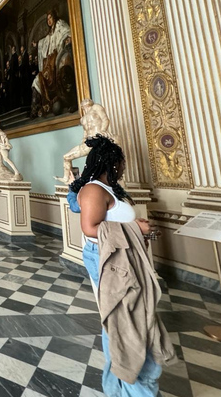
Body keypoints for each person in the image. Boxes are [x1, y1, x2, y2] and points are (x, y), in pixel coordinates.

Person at [71, 135, 173, 397]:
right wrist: (134, 227)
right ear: (111, 162)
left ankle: (120, 386)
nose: (125, 165)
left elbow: (114, 224)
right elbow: (90, 228)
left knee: (129, 319)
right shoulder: (94, 190)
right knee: (124, 321)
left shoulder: (108, 190)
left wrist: (142, 233)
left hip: (125, 257)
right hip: (111, 261)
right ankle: (131, 386)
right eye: (122, 161)